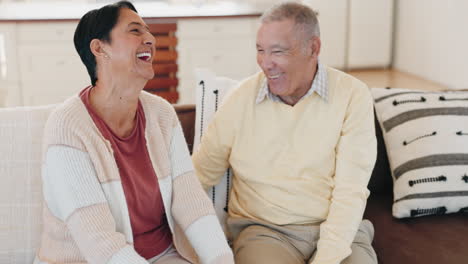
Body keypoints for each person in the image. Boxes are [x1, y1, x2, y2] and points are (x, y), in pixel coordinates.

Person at [34, 2, 233, 264]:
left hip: (163, 255)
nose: (150, 39)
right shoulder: (68, 128)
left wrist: (221, 259)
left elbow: (191, 202)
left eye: (148, 31)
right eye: (135, 31)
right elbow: (100, 244)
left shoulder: (161, 113)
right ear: (99, 48)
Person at [192, 2, 378, 264]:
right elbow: (198, 175)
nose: (266, 64)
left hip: (340, 230)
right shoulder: (239, 101)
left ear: (313, 48)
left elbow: (351, 190)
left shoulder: (352, 95)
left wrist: (328, 257)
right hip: (265, 232)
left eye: (278, 51)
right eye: (260, 50)